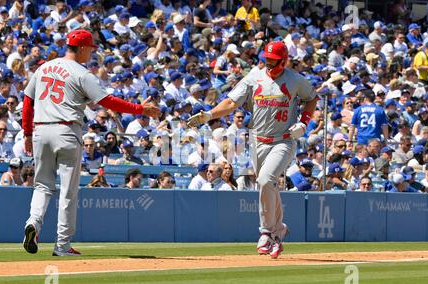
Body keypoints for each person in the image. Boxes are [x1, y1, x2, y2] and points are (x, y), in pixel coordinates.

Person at [22, 30, 160, 257]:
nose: (91, 53)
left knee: (43, 186)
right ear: (83, 48)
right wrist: (139, 108)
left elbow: (28, 102)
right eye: (91, 49)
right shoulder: (81, 73)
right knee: (68, 191)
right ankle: (62, 245)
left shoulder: (44, 67)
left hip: (41, 130)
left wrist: (27, 133)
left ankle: (33, 223)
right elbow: (107, 101)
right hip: (66, 130)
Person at [188, 41, 318, 259]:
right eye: (265, 59)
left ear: (283, 60)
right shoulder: (254, 77)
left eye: (272, 60)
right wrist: (209, 115)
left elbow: (312, 98)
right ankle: (279, 231)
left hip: (283, 139)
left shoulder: (295, 80)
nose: (268, 63)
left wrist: (304, 123)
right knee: (269, 185)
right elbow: (231, 102)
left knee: (266, 180)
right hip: (257, 140)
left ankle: (266, 231)